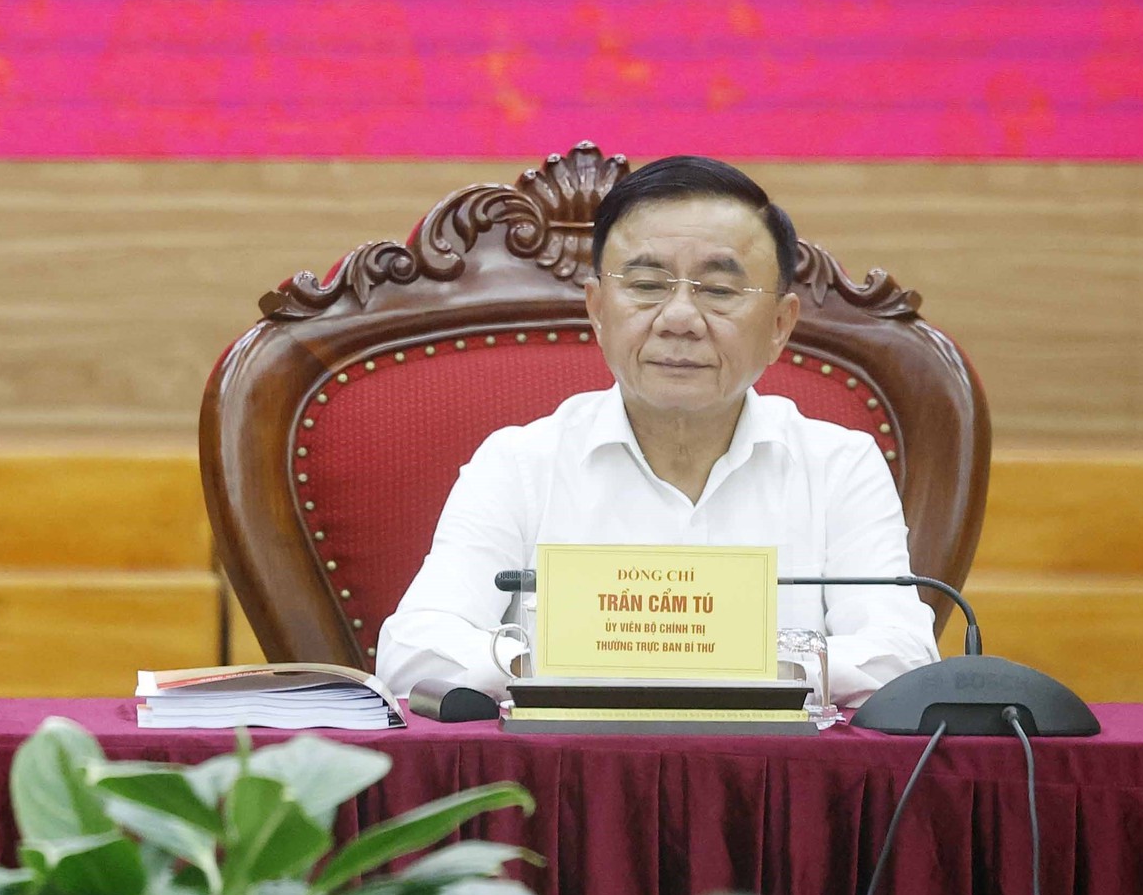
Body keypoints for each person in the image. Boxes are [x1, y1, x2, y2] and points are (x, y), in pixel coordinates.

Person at [373, 156, 938, 706]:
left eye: (719, 291)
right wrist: (575, 661)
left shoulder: (839, 466)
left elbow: (902, 656)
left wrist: (703, 662)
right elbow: (415, 650)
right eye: (646, 285)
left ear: (779, 325)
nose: (679, 319)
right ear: (598, 309)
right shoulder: (519, 463)